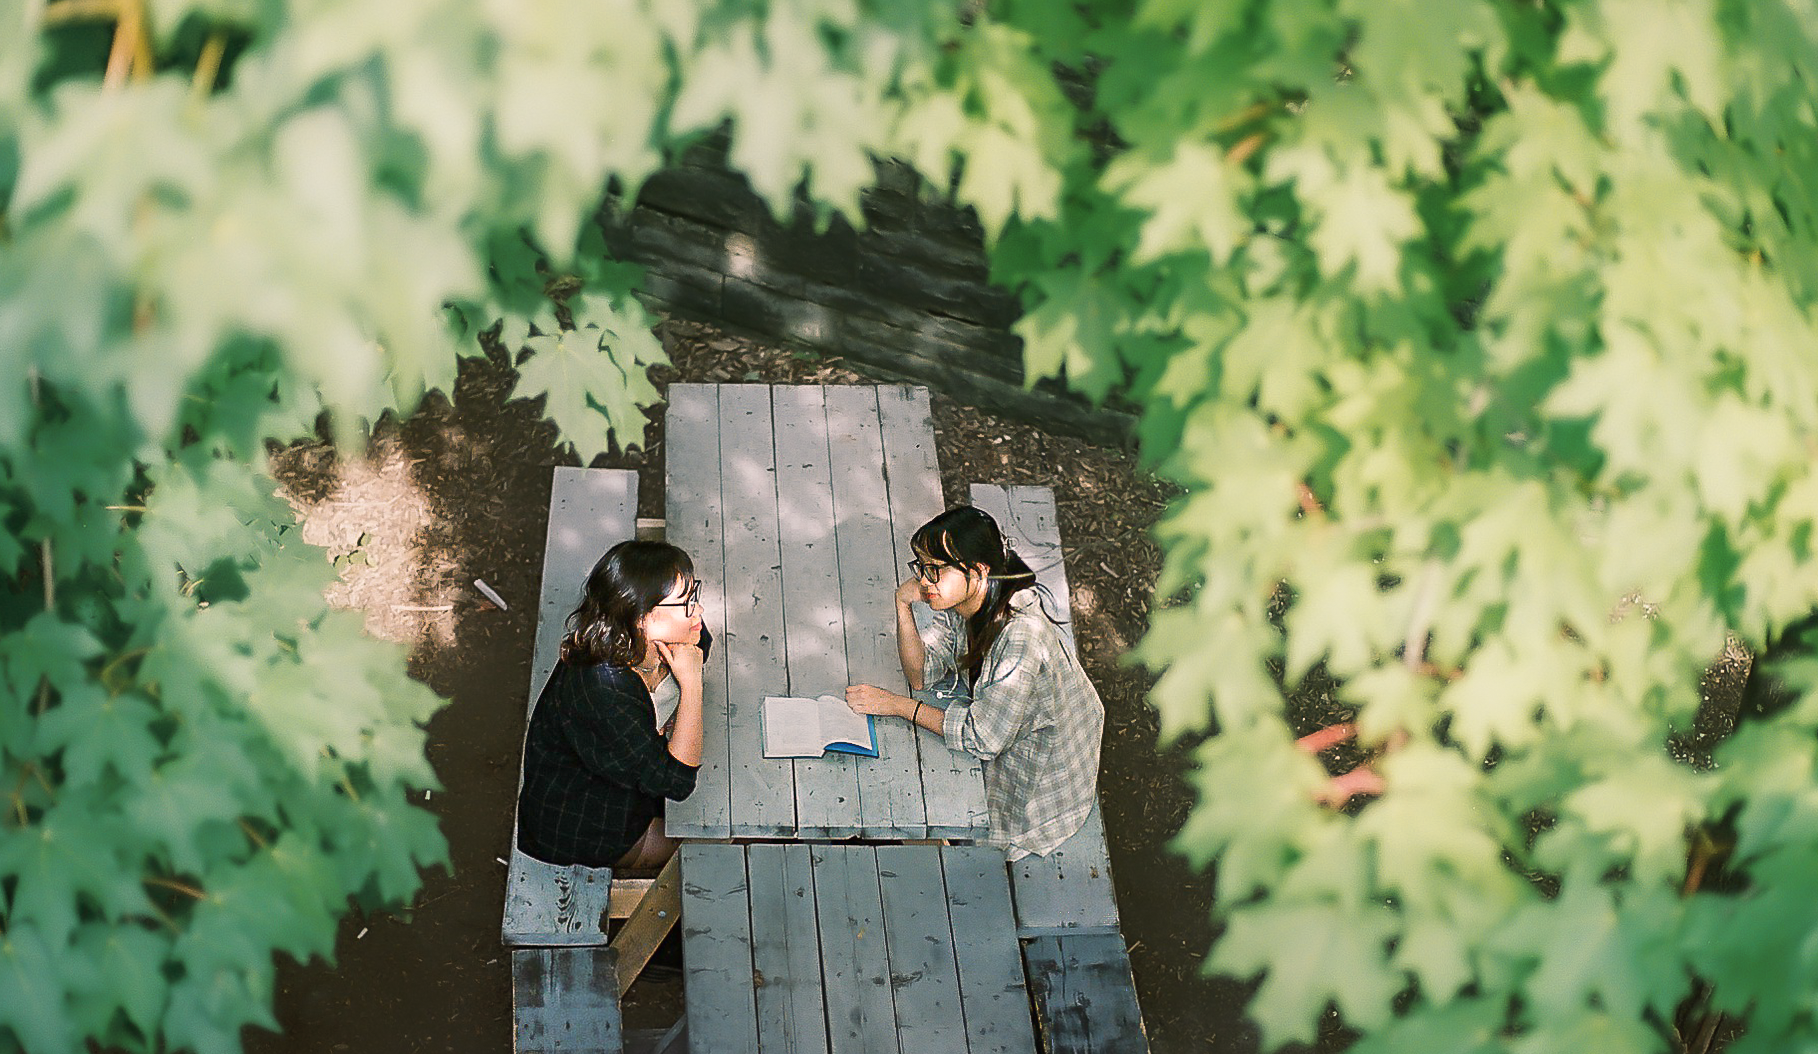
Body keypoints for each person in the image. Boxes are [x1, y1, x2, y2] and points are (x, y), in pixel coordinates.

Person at [845, 505, 1104, 860]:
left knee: (913, 799)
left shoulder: (1021, 638)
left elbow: (982, 738)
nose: (923, 581)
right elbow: (920, 673)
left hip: (1042, 784)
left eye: (935, 571)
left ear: (978, 571)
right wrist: (902, 606)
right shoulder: (968, 603)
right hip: (1006, 736)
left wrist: (898, 706)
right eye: (921, 568)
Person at [517, 540, 708, 873]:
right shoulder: (604, 687)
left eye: (695, 595)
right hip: (585, 824)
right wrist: (691, 684)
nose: (699, 612)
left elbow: (702, 640)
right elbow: (676, 784)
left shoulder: (640, 638)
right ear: (642, 618)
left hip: (623, 783)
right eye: (686, 603)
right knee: (717, 840)